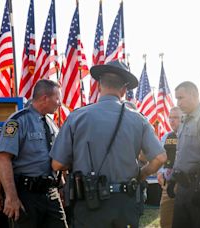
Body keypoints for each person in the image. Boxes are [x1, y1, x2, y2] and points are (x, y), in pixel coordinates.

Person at [49, 60, 167, 228]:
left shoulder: (77, 117)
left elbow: (57, 163)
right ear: (124, 90)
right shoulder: (138, 119)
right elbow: (160, 158)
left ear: (98, 86)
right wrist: (140, 175)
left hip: (89, 202)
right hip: (125, 203)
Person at [0, 79, 67, 227]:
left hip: (51, 193)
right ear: (45, 98)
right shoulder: (18, 121)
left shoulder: (52, 124)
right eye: (57, 98)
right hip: (26, 195)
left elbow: (55, 158)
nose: (60, 103)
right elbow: (3, 160)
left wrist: (61, 187)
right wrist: (11, 196)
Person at [168, 81, 200, 228]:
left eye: (181, 98)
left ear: (194, 95)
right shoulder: (184, 120)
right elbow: (181, 153)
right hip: (182, 186)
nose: (178, 103)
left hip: (197, 187)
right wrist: (173, 178)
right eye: (176, 99)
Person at [157, 106, 182, 228]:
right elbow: (161, 158)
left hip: (186, 184)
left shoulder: (191, 135)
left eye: (176, 117)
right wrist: (159, 172)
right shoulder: (166, 137)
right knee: (165, 221)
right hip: (168, 184)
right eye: (170, 117)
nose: (172, 121)